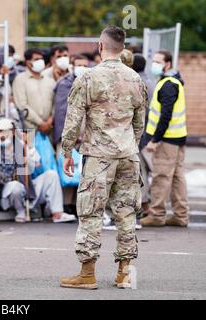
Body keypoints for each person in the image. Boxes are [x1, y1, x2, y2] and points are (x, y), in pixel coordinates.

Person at [59, 25, 147, 290]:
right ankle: (125, 273)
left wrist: (66, 151)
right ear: (123, 48)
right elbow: (139, 123)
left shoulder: (88, 78)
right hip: (128, 154)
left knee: (91, 212)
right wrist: (130, 144)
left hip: (98, 155)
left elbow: (73, 119)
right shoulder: (136, 79)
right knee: (126, 213)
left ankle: (87, 273)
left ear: (100, 46)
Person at [0, 118, 75, 223]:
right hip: (7, 194)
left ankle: (57, 214)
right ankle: (20, 212)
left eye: (2, 131)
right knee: (15, 186)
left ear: (12, 132)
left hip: (28, 189)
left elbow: (37, 166)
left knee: (51, 176)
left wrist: (27, 150)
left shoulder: (21, 145)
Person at [140, 50, 189, 227]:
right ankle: (181, 215)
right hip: (177, 138)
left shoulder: (168, 84)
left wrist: (155, 140)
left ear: (167, 64)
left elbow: (165, 115)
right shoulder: (174, 82)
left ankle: (157, 214)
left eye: (158, 61)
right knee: (177, 177)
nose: (154, 64)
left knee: (161, 177)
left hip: (167, 140)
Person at [53, 55, 90, 214]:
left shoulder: (91, 83)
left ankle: (77, 205)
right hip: (67, 135)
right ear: (72, 66)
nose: (82, 67)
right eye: (79, 64)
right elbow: (62, 112)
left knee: (82, 170)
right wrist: (70, 136)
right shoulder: (65, 84)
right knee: (66, 169)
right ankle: (65, 205)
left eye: (85, 65)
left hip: (86, 136)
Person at [132, 53, 156, 216]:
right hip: (148, 131)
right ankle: (146, 203)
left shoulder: (138, 82)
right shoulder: (150, 80)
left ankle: (145, 204)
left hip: (142, 133)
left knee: (141, 170)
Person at [12, 48, 55, 133]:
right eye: (36, 59)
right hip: (29, 130)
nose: (40, 61)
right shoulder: (20, 80)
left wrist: (50, 121)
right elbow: (22, 106)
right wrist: (41, 123)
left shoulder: (49, 80)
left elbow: (55, 103)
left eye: (41, 59)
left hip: (49, 130)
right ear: (28, 63)